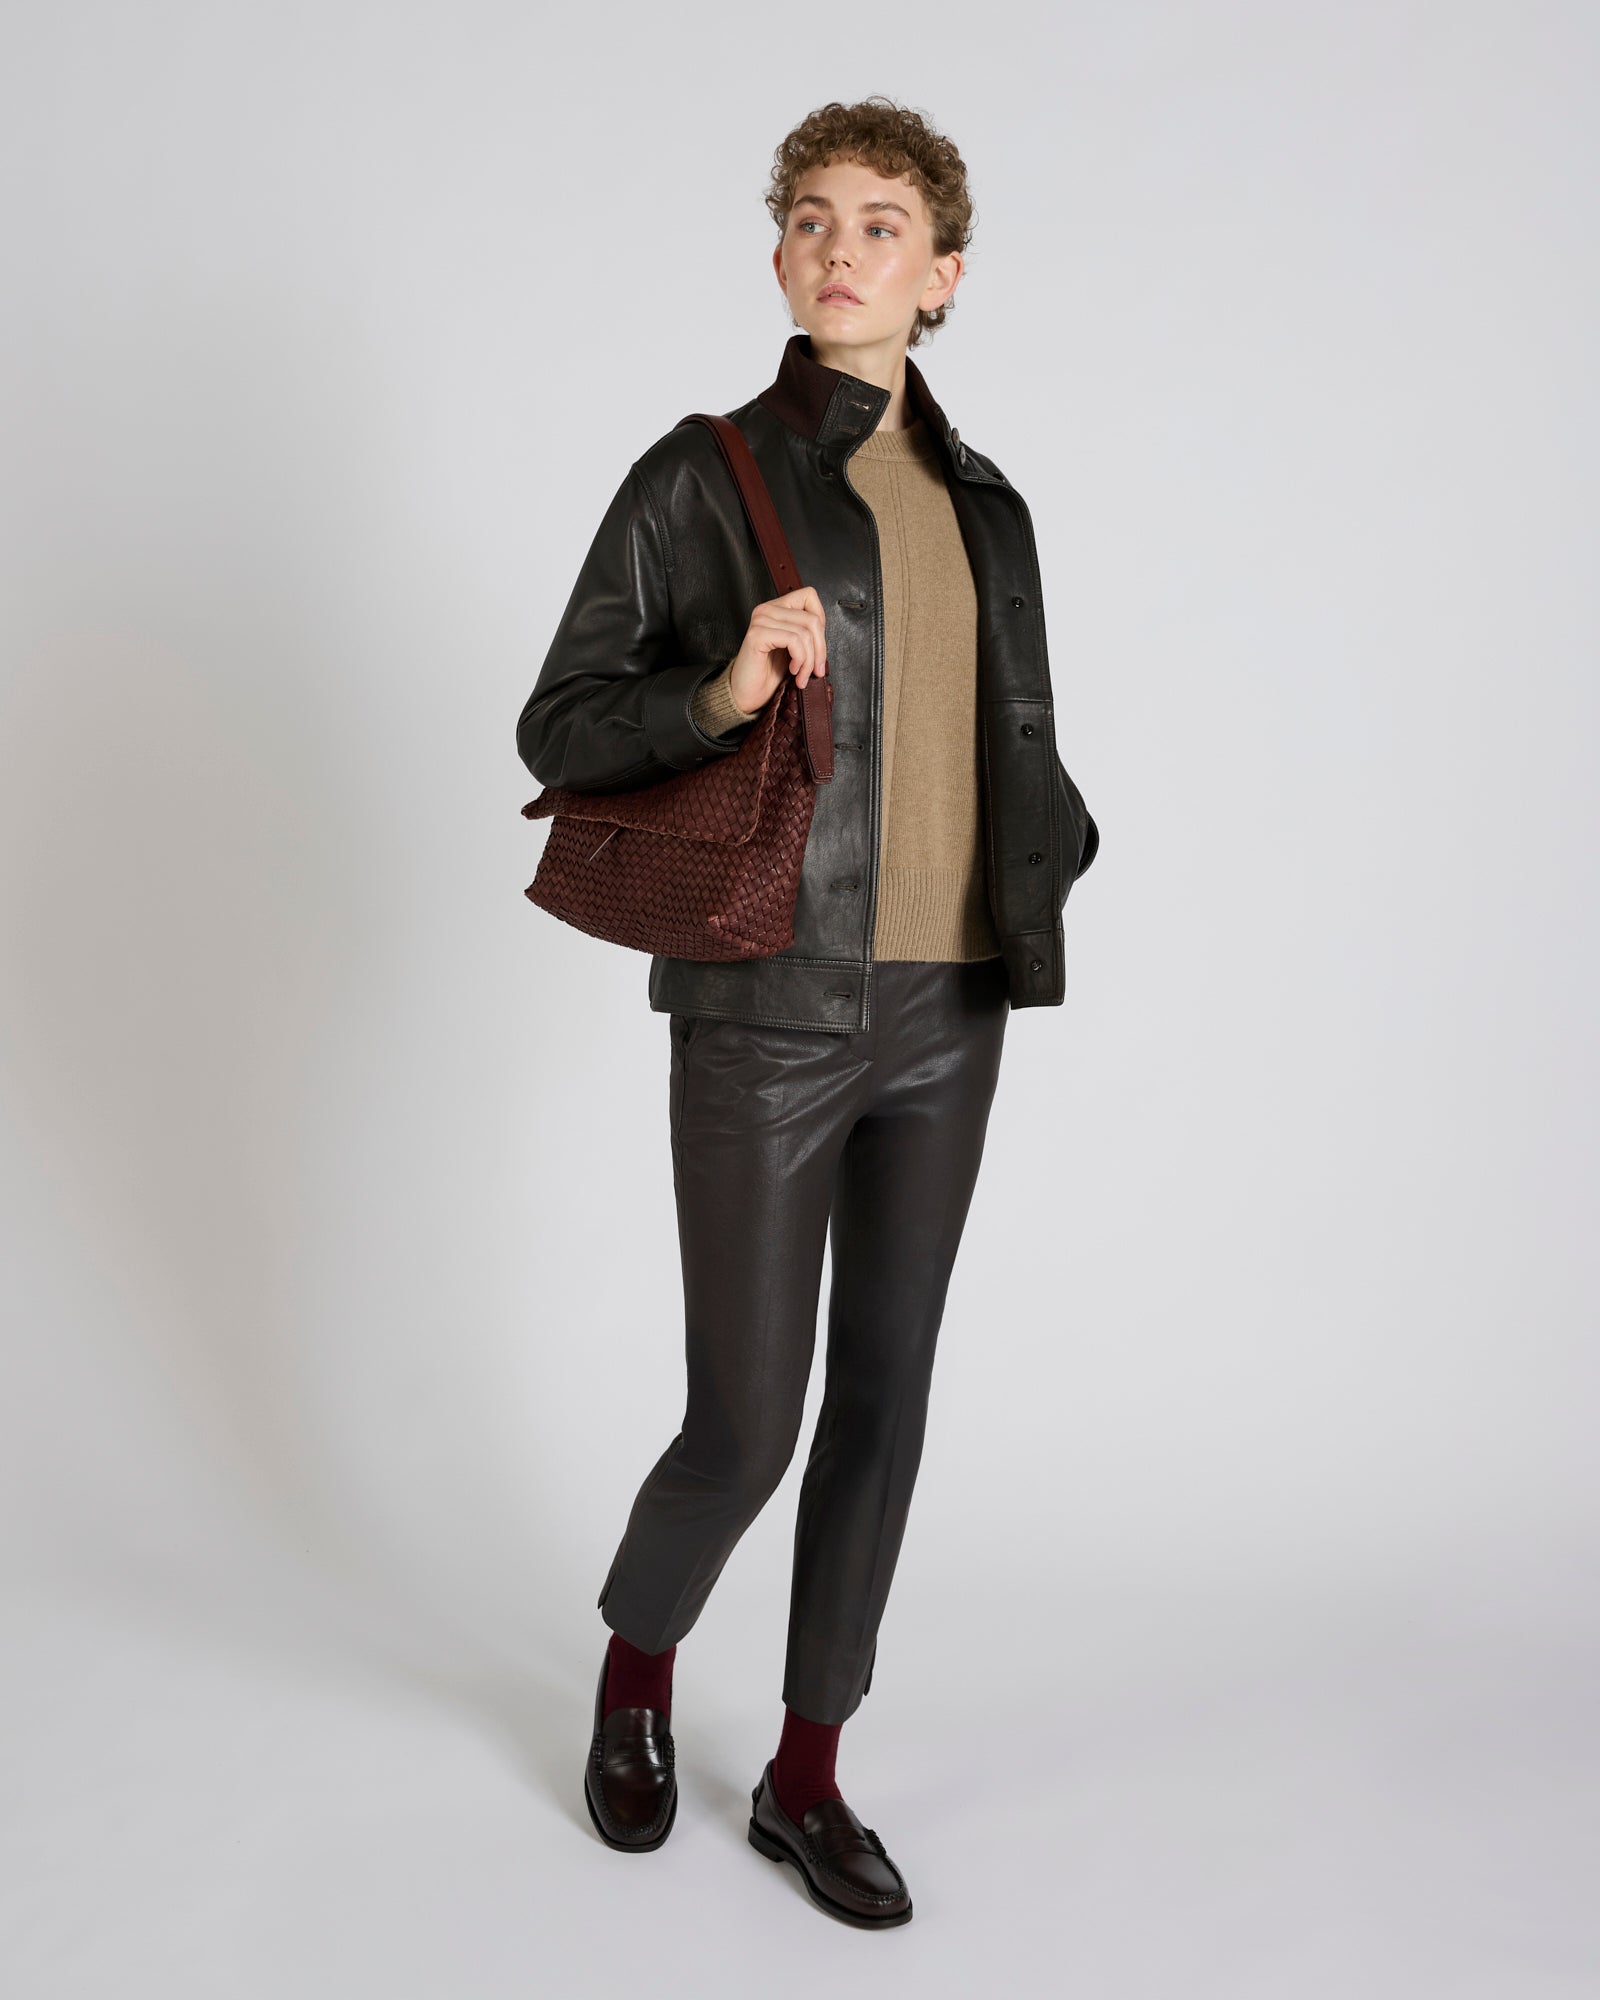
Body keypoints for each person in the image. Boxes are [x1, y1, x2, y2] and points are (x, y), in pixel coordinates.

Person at [516, 95, 1098, 1928]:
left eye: (882, 224)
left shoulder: (990, 507)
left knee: (887, 1407)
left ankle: (809, 1771)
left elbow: (1008, 733)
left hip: (953, 1009)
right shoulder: (703, 476)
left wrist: (1056, 848)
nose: (842, 249)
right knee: (749, 1422)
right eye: (813, 219)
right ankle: (634, 1676)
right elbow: (560, 723)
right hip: (766, 1007)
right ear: (780, 255)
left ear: (944, 277)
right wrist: (718, 692)